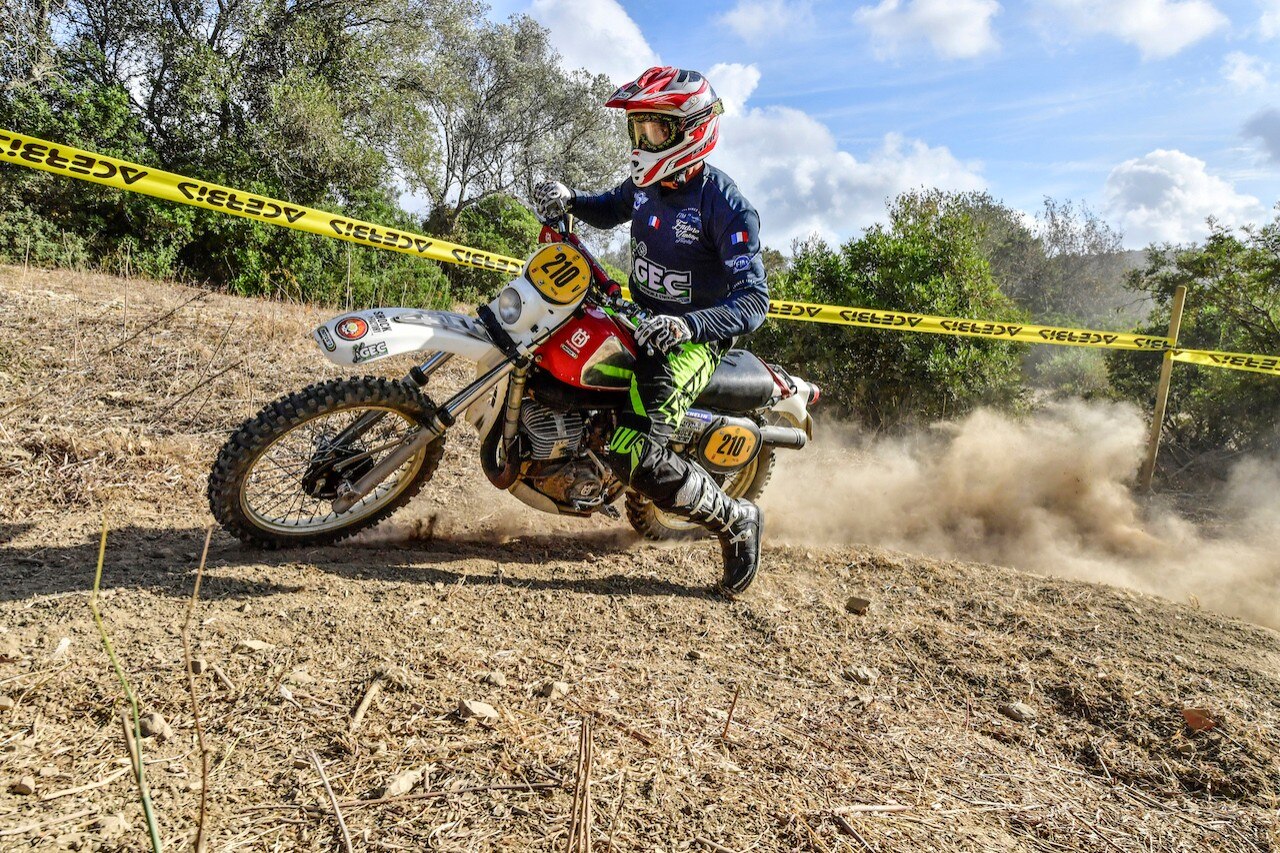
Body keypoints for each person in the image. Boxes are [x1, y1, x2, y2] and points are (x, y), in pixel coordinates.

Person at [533, 66, 770, 596]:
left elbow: (755, 301)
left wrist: (686, 325)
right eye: (637, 130)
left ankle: (736, 519)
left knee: (633, 453)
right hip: (637, 314)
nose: (642, 142)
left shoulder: (726, 206)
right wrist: (569, 201)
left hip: (693, 340)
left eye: (654, 130)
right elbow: (611, 207)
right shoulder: (648, 184)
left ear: (691, 130)